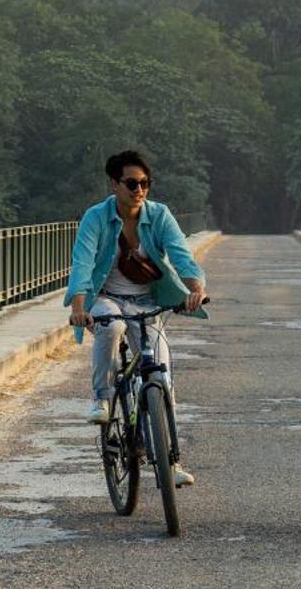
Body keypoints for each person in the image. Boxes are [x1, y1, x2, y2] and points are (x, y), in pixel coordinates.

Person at [64, 149, 207, 487]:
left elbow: (181, 255)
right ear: (114, 184)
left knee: (162, 379)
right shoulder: (96, 218)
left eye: (145, 183)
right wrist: (79, 307)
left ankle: (169, 464)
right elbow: (82, 263)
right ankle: (101, 397)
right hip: (106, 298)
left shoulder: (159, 215)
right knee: (110, 326)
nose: (139, 189)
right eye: (131, 183)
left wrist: (195, 289)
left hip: (147, 302)